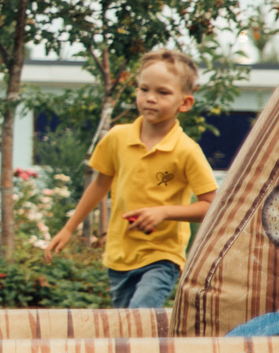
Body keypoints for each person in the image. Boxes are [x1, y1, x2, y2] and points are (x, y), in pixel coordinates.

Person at [41, 46, 219, 310]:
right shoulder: (117, 137)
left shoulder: (187, 151)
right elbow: (100, 184)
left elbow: (212, 206)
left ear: (185, 102)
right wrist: (69, 228)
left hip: (162, 255)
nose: (150, 98)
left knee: (140, 314)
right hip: (119, 256)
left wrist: (164, 213)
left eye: (163, 92)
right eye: (143, 89)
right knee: (127, 328)